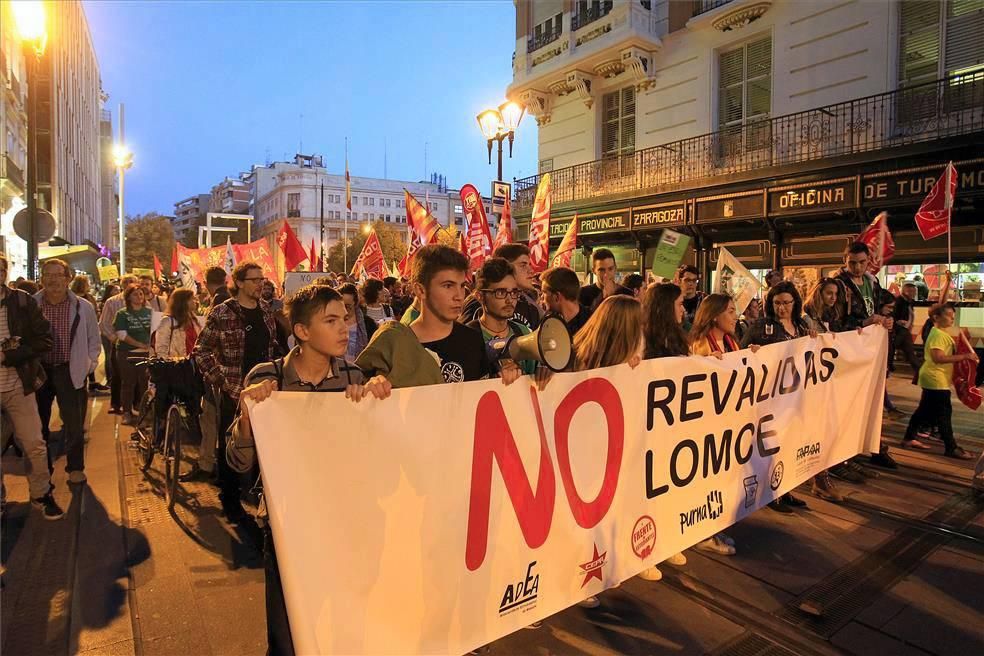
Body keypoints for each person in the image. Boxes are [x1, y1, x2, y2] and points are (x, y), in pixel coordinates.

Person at [227, 284, 391, 656]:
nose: (344, 327)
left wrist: (378, 399)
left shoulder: (353, 375)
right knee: (288, 638)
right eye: (330, 320)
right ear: (301, 331)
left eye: (345, 317)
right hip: (289, 531)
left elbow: (372, 449)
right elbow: (238, 462)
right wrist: (248, 419)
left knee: (346, 628)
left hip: (344, 527)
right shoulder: (268, 378)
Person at [193, 261, 283, 520]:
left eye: (262, 279)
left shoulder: (266, 311)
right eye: (254, 280)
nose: (260, 284)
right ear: (240, 282)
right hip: (234, 390)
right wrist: (224, 382)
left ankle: (258, 495)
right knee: (231, 445)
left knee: (264, 443)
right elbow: (201, 351)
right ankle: (230, 499)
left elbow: (271, 346)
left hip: (265, 390)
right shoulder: (223, 312)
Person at [357, 245, 515, 387]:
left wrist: (506, 376)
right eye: (448, 286)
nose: (459, 296)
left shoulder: (473, 340)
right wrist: (372, 387)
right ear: (420, 290)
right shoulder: (394, 345)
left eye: (462, 286)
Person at [740, 281, 814, 513]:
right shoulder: (762, 326)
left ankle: (785, 488)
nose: (781, 308)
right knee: (771, 447)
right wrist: (752, 352)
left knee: (790, 444)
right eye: (777, 303)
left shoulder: (801, 326)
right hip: (770, 398)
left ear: (795, 303)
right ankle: (770, 493)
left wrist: (813, 337)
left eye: (786, 303)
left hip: (795, 396)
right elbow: (740, 353)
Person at [0, 255, 64, 519]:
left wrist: (10, 355)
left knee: (34, 444)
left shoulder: (22, 302)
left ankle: (41, 493)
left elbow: (44, 340)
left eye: (0, 268)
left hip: (18, 386)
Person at [33, 259, 101, 481]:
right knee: (38, 425)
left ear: (68, 278)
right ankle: (43, 471)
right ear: (41, 278)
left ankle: (75, 467)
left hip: (69, 369)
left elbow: (94, 339)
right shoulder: (31, 305)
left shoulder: (83, 307)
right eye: (48, 274)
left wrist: (89, 364)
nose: (53, 280)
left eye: (58, 275)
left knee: (73, 424)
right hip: (39, 371)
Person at [835, 242, 898, 469]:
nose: (857, 267)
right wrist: (866, 322)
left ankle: (875, 446)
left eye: (862, 262)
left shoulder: (873, 282)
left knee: (873, 401)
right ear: (845, 260)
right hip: (848, 353)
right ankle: (845, 453)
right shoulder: (839, 285)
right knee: (849, 404)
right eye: (852, 262)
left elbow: (882, 307)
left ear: (868, 261)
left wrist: (886, 319)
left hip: (870, 351)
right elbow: (836, 321)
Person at [901, 303, 977, 459]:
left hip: (934, 378)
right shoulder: (938, 335)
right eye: (949, 315)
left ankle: (909, 438)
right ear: (936, 317)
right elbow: (938, 358)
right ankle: (951, 447)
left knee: (924, 411)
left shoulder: (939, 332)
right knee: (943, 414)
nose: (952, 319)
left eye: (953, 316)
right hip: (936, 379)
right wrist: (965, 357)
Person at [465, 258, 538, 376]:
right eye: (500, 293)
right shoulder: (468, 337)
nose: (509, 300)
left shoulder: (523, 332)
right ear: (480, 296)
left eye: (514, 293)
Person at [460, 243, 542, 328]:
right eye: (523, 265)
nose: (531, 271)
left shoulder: (529, 308)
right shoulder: (482, 301)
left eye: (514, 293)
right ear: (504, 264)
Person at [113, 284, 153, 426]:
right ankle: (127, 412)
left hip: (146, 354)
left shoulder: (150, 312)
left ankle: (144, 412)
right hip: (127, 353)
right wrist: (139, 344)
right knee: (128, 383)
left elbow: (154, 330)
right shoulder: (122, 314)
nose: (139, 297)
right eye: (135, 294)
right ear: (128, 297)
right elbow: (122, 335)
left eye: (141, 294)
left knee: (145, 383)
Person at [100, 275, 138, 414]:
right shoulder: (112, 302)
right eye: (126, 282)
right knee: (118, 374)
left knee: (137, 375)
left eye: (131, 281)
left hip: (138, 344)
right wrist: (114, 338)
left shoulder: (142, 301)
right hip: (119, 345)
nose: (129, 284)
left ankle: (135, 403)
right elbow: (103, 323)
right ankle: (116, 404)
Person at [540, 267, 591, 339]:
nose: (541, 297)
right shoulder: (547, 322)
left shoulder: (592, 322)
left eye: (544, 292)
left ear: (556, 297)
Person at [579, 248, 632, 312]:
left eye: (610, 269)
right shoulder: (583, 293)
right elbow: (585, 319)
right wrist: (601, 298)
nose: (606, 274)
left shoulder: (627, 294)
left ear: (615, 269)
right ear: (594, 271)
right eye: (601, 270)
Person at [155, 288, 200, 358]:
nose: (195, 301)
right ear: (183, 301)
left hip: (192, 364)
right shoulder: (168, 321)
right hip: (175, 365)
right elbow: (161, 347)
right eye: (192, 299)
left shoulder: (194, 320)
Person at [892, 282, 922, 383]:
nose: (914, 294)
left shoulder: (909, 302)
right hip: (899, 330)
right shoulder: (898, 302)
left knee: (910, 354)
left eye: (915, 291)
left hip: (904, 331)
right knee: (894, 350)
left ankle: (919, 374)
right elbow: (893, 315)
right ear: (906, 291)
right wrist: (898, 321)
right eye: (912, 291)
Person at [339, 283, 376, 359]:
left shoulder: (368, 324)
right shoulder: (332, 322)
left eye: (348, 306)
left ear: (355, 303)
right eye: (341, 306)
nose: (344, 310)